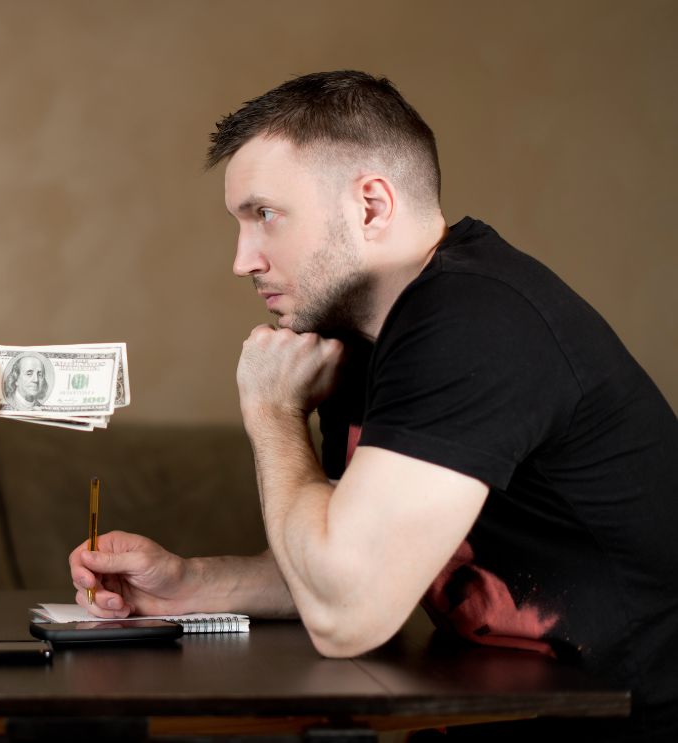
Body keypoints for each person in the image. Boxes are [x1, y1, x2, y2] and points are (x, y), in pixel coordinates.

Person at [68, 71, 678, 741]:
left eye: (264, 215)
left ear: (370, 206)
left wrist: (272, 414)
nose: (243, 259)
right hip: (507, 714)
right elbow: (352, 551)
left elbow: (346, 610)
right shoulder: (356, 336)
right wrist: (187, 584)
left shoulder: (475, 320)